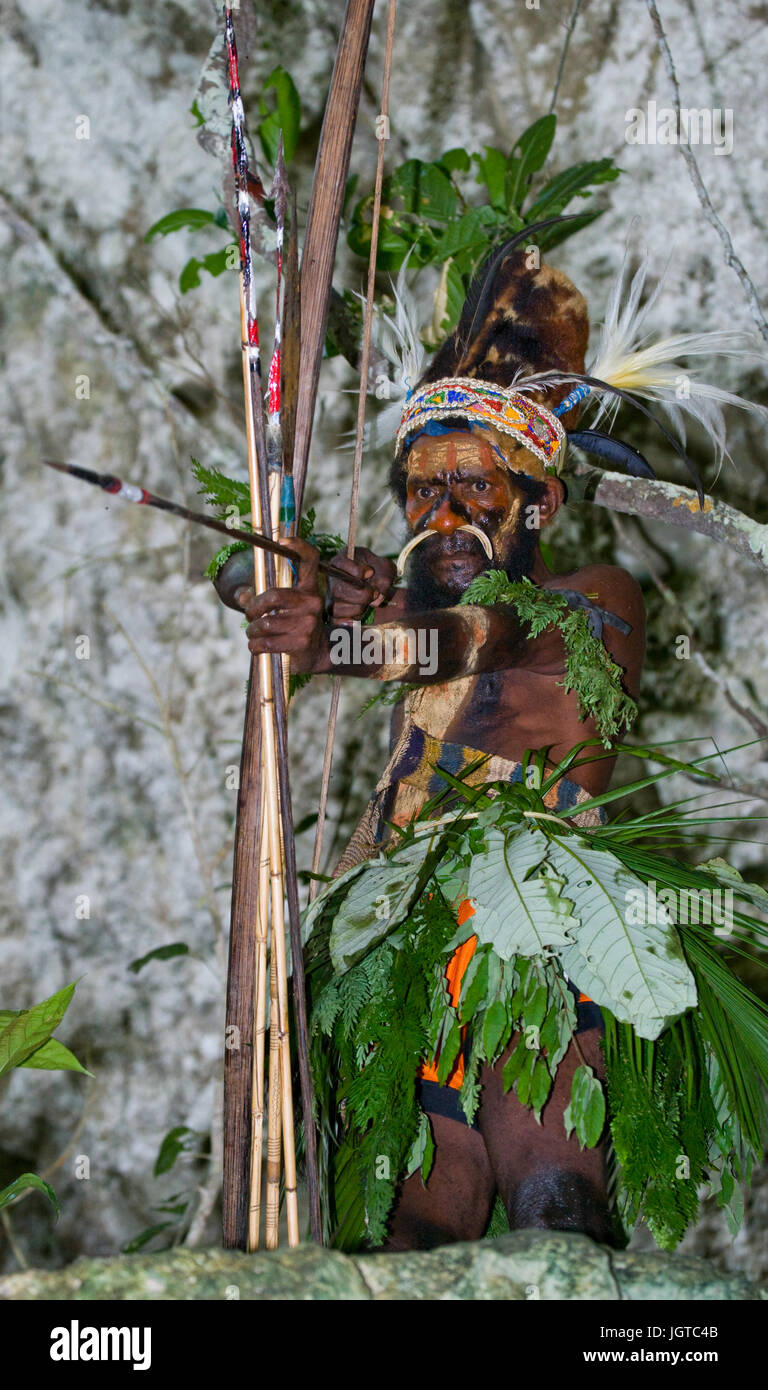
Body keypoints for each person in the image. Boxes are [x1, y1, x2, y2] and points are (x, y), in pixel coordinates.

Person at [215, 237, 647, 1248]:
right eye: (420, 490)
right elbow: (239, 567)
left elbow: (482, 637)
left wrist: (340, 637)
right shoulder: (411, 606)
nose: (441, 514)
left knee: (557, 1209)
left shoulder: (593, 601)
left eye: (477, 490)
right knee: (403, 1237)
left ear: (539, 502)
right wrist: (288, 581)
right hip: (402, 943)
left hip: (543, 928)